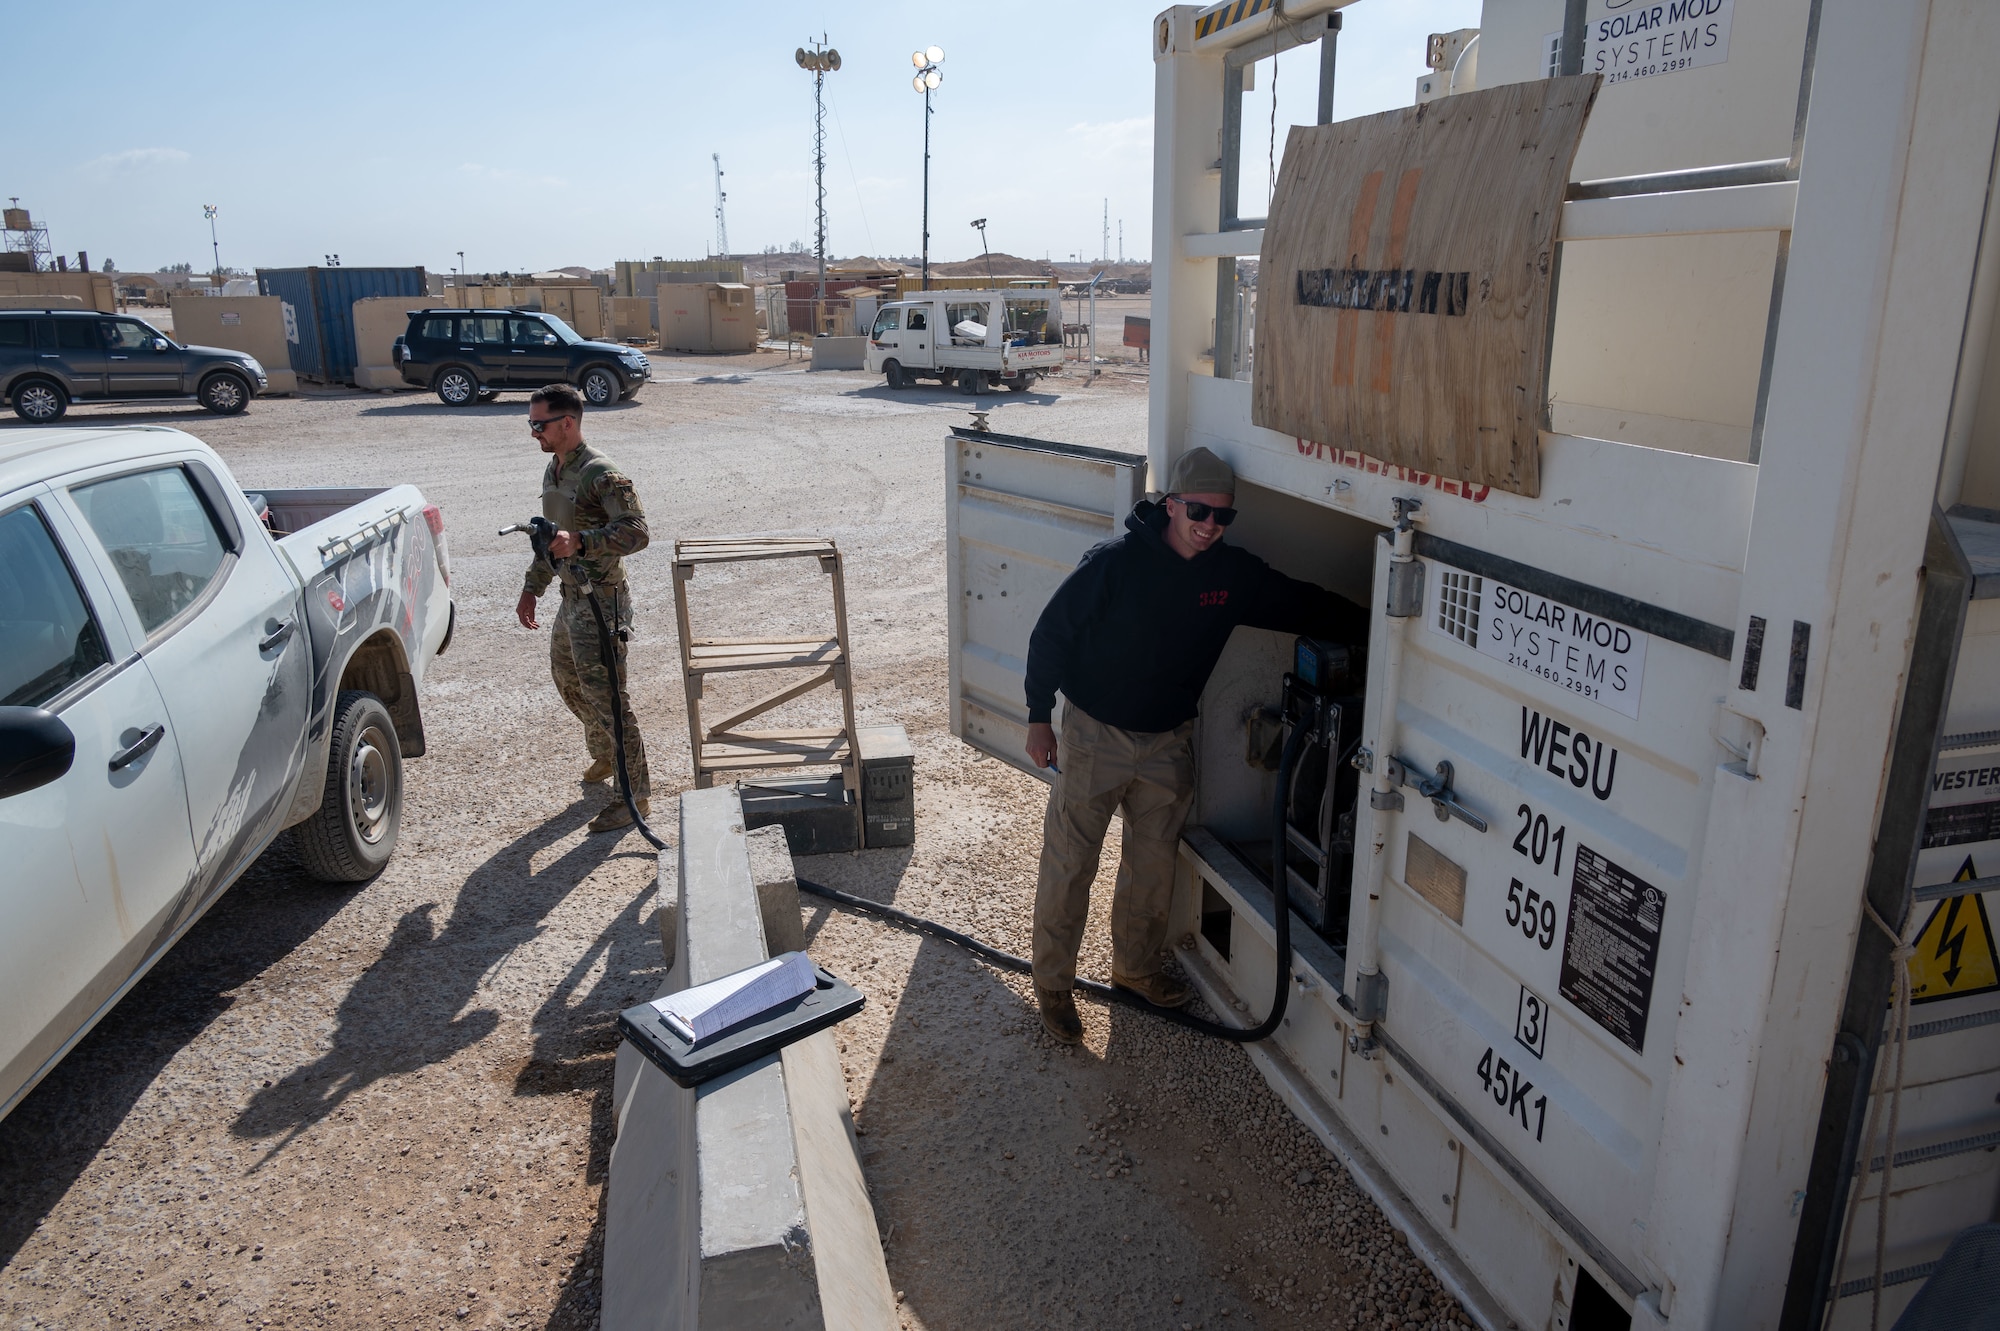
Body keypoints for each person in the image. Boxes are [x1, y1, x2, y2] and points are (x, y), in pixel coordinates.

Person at [1022, 447, 1368, 1044]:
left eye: (1222, 518)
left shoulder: (1230, 578)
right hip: (1095, 736)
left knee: (1152, 867)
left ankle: (1133, 971)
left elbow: (1301, 601)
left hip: (1167, 743)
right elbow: (1052, 635)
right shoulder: (1114, 564)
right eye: (1199, 512)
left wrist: (1381, 626)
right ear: (1171, 504)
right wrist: (1037, 718)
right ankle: (1053, 984)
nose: (1209, 526)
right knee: (1071, 861)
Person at [514, 384, 653, 834]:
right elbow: (552, 536)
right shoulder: (554, 470)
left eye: (540, 424)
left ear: (567, 423)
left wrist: (584, 542)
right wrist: (532, 587)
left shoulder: (601, 473)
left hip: (602, 603)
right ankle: (606, 754)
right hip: (571, 597)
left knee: (610, 700)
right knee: (568, 681)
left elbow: (637, 532)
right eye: (531, 423)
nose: (534, 431)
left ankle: (635, 796)